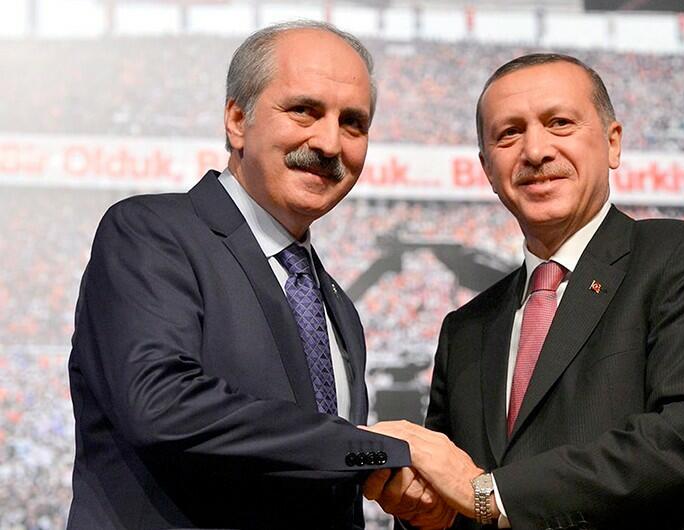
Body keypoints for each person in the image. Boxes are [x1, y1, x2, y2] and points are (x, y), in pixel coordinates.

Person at [364, 53, 684, 529]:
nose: (535, 151)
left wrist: (491, 495)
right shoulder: (465, 329)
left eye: (560, 123)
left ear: (613, 143)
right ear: (487, 169)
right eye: (509, 133)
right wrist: (428, 513)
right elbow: (458, 493)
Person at [67, 21, 424, 530]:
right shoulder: (152, 232)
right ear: (238, 120)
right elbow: (161, 404)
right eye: (303, 110)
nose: (329, 142)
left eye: (353, 123)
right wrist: (376, 449)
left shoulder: (337, 306)